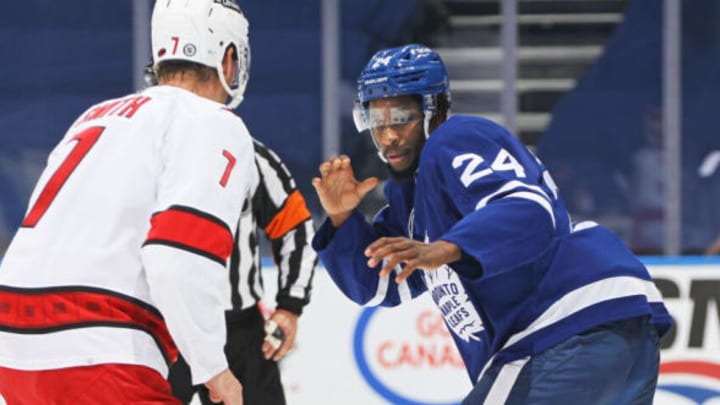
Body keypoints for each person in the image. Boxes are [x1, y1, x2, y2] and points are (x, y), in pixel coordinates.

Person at [311, 44, 673, 404]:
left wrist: (447, 248)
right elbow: (379, 283)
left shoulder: (453, 140)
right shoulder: (412, 199)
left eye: (401, 117)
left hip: (566, 325)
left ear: (434, 110)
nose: (388, 135)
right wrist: (343, 219)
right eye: (377, 120)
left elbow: (527, 209)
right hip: (611, 334)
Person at [0, 1, 254, 404]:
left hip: (13, 346)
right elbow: (176, 257)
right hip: (100, 346)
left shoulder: (95, 116)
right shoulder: (213, 123)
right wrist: (214, 370)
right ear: (228, 57)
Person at [167, 137, 318, 405]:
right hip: (161, 326)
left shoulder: (249, 155)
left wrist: (290, 306)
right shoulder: (144, 151)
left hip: (239, 329)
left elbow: (294, 228)